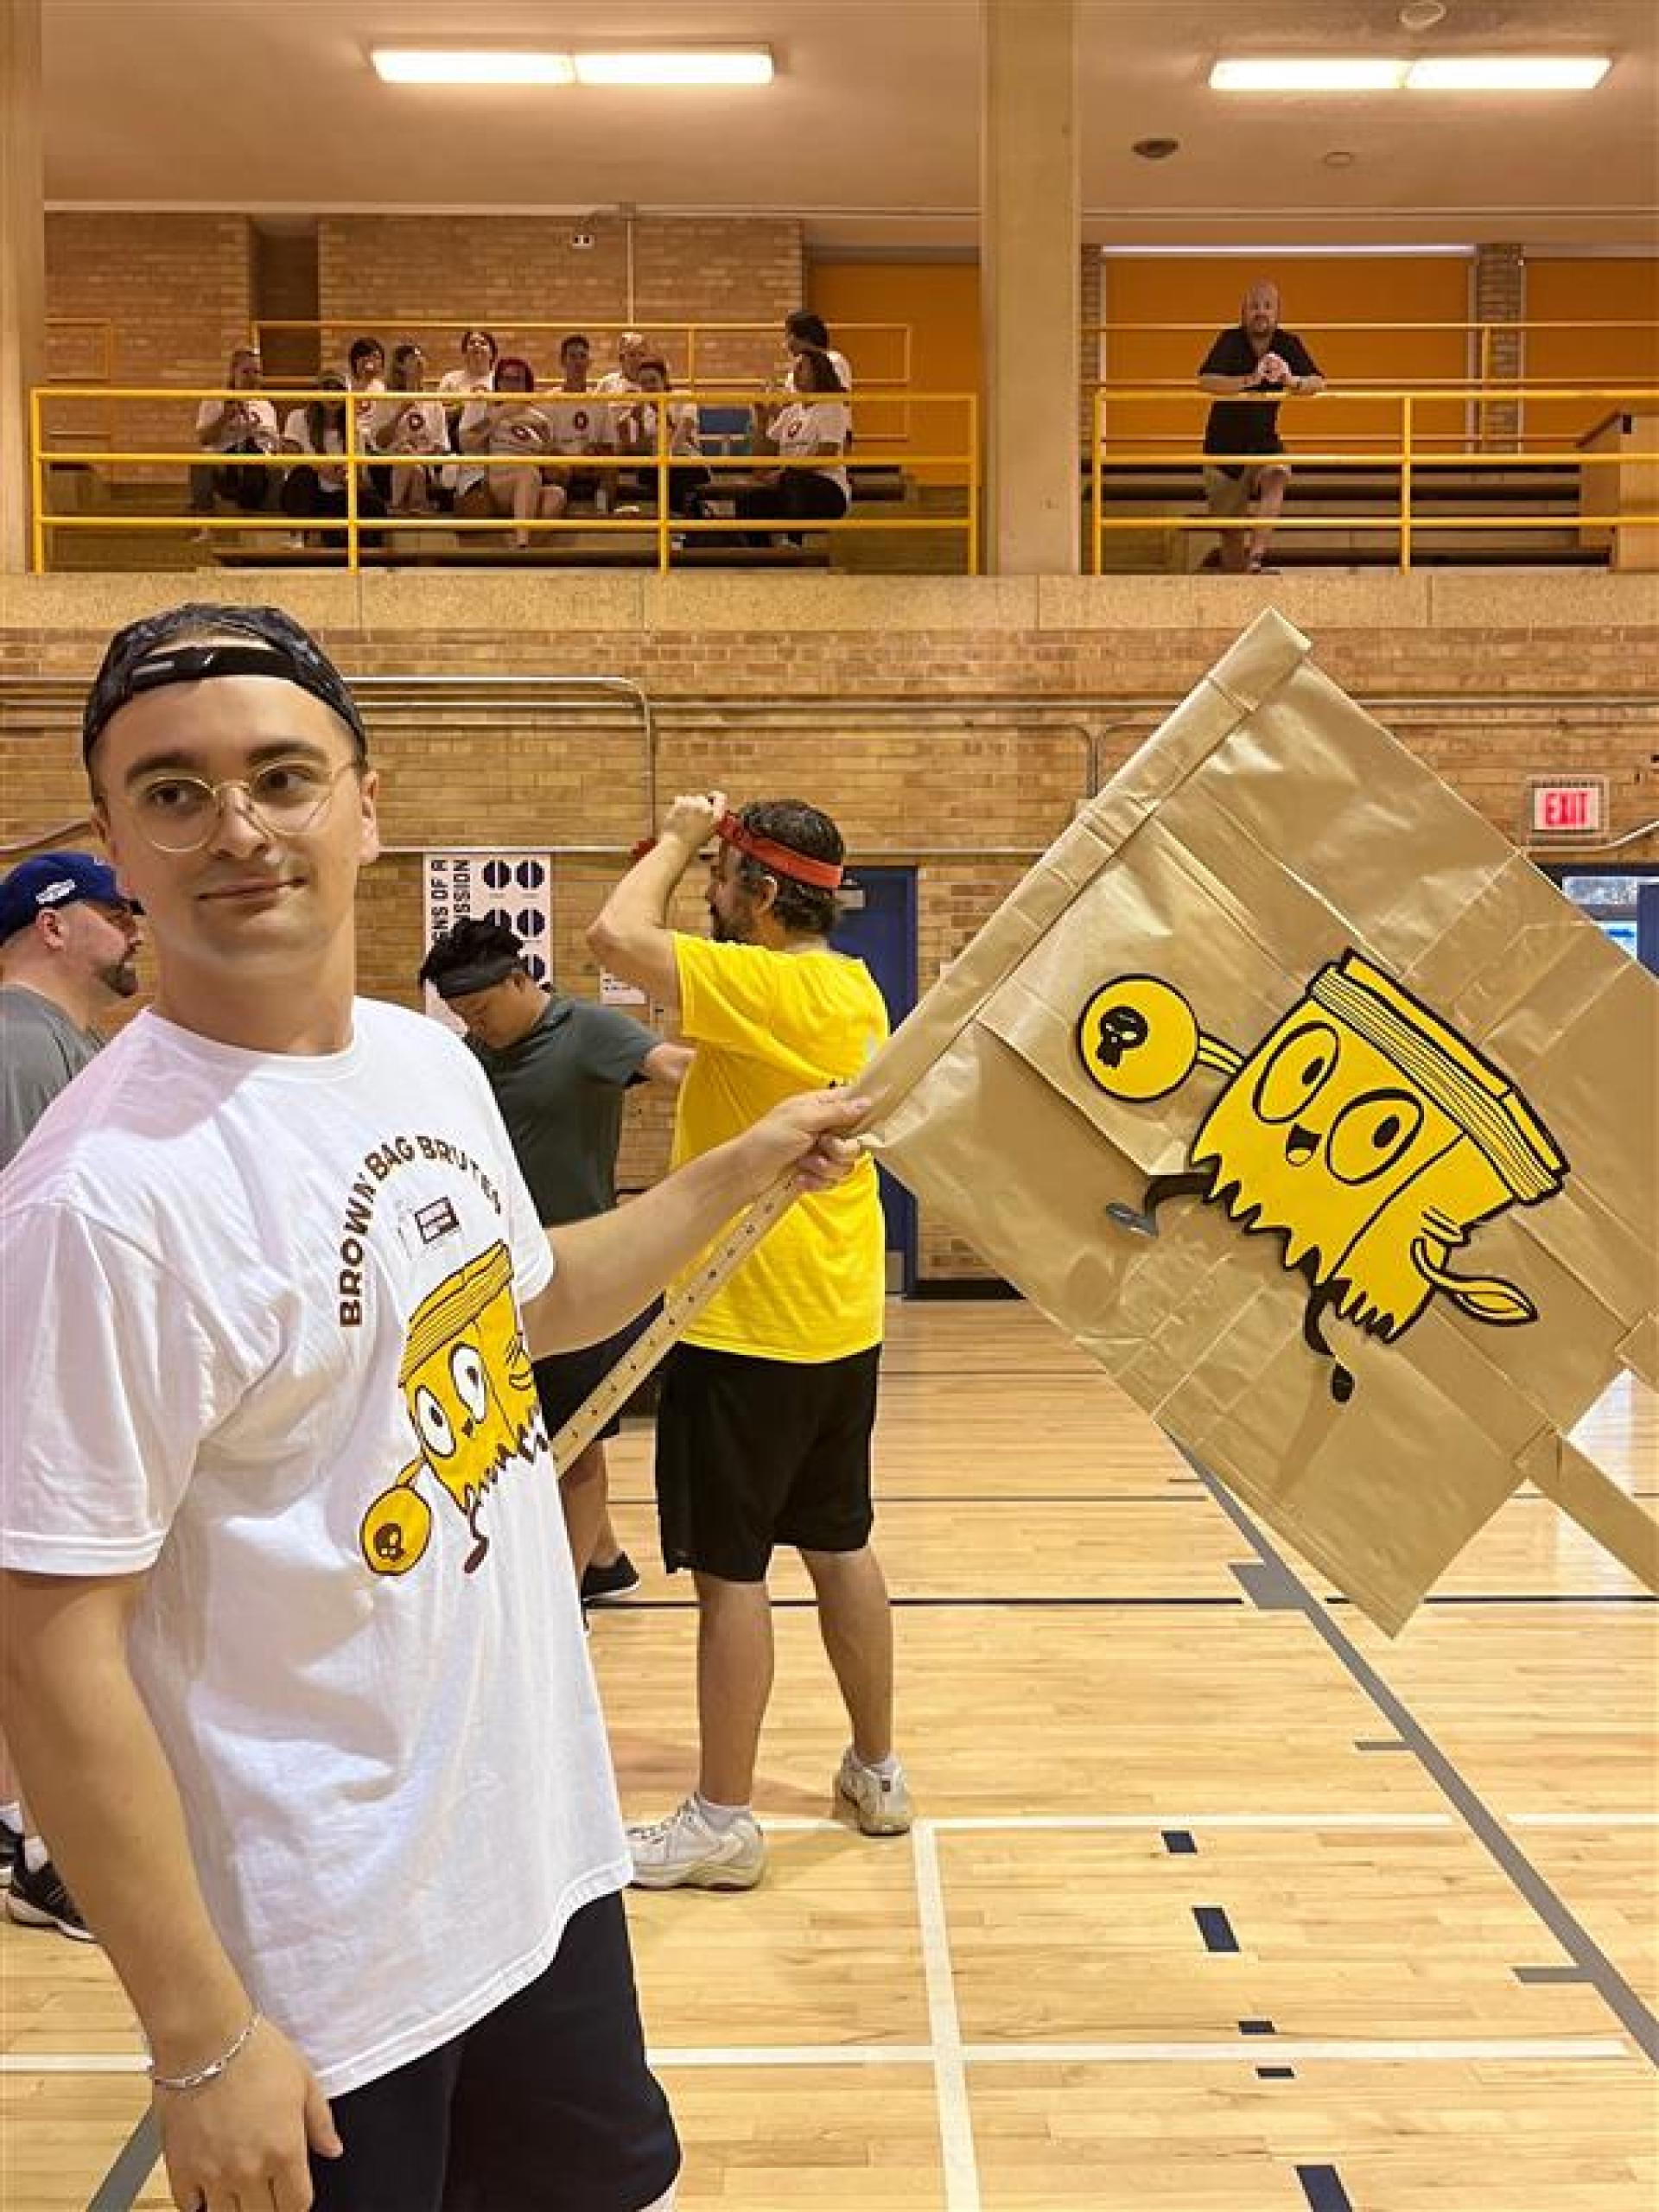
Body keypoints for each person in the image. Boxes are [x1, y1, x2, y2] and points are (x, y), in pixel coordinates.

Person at [0, 602, 865, 2212]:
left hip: (535, 1872)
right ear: (116, 841)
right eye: (175, 795)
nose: (240, 830)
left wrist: (746, 1162)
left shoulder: (420, 1062)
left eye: (283, 777)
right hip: (322, 1976)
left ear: (367, 803)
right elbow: (50, 1650)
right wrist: (199, 2037)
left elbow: (530, 1300)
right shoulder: (100, 1205)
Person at [588, 791, 912, 1893]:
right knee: (839, 1541)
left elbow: (613, 935)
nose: (708, 896)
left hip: (746, 1323)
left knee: (730, 1576)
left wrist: (679, 834)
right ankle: (878, 1767)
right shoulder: (848, 985)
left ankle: (723, 1818)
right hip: (838, 1319)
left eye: (725, 881)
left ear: (763, 896)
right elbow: (716, 1065)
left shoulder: (765, 978)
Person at [418, 916, 693, 1600]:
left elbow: (678, 1070)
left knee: (572, 1447)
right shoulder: (470, 1058)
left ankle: (566, 1609)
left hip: (579, 1277)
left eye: (481, 1009)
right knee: (521, 1439)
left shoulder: (590, 1032)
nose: (475, 1025)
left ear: (519, 980)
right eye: (461, 1015)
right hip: (493, 1281)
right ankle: (604, 1563)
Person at [0, 849, 143, 1946]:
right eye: (113, 911)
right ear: (53, 925)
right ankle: (37, 1843)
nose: (131, 927)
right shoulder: (17, 1041)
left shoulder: (63, 1043)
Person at [1197, 281, 1325, 575]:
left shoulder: (1287, 343)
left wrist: (1291, 381)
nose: (1261, 312)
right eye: (1254, 306)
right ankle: (1238, 579)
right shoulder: (1229, 340)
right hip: (1222, 444)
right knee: (1230, 533)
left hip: (1264, 439)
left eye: (1267, 306)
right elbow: (1206, 381)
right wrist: (1249, 380)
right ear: (1243, 312)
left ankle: (1256, 559)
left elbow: (1318, 382)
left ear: (1277, 312)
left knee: (1278, 475)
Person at [738, 348, 852, 546]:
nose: (795, 373)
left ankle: (794, 542)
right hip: (789, 485)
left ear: (818, 372)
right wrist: (761, 422)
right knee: (750, 500)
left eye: (801, 368)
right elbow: (762, 465)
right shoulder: (791, 412)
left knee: (794, 480)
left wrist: (785, 473)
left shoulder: (832, 406)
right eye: (794, 368)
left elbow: (828, 453)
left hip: (828, 490)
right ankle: (762, 555)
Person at [456, 355, 562, 549]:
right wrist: (499, 415)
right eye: (506, 379)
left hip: (529, 483)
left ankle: (525, 548)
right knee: (527, 472)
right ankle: (522, 543)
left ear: (526, 385)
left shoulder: (540, 419)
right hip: (496, 480)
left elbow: (549, 465)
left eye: (518, 380)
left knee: (556, 495)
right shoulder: (487, 406)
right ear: (498, 383)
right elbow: (466, 442)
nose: (511, 385)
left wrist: (547, 441)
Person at [278, 372, 387, 550]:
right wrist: (320, 467)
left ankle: (369, 553)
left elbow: (359, 477)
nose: (333, 393)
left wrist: (345, 479)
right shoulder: (298, 418)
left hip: (338, 493)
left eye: (338, 389)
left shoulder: (354, 428)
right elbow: (290, 457)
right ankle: (297, 535)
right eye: (327, 388)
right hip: (308, 492)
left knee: (374, 505)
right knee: (303, 476)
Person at [190, 346, 281, 533]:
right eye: (246, 372)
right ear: (233, 372)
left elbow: (274, 445)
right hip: (224, 465)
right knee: (200, 462)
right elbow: (204, 440)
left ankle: (268, 526)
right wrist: (224, 417)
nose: (252, 377)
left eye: (257, 372)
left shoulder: (266, 406)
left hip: (258, 466)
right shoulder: (215, 399)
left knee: (277, 467)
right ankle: (204, 525)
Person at [613, 359, 710, 520]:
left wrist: (668, 454)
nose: (649, 387)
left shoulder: (683, 397)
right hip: (655, 466)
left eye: (653, 380)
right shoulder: (642, 408)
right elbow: (641, 449)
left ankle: (679, 520)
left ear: (664, 379)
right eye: (644, 383)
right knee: (649, 473)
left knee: (675, 472)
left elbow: (685, 427)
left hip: (686, 461)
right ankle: (673, 520)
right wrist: (639, 423)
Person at [367, 343, 449, 517]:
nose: (419, 361)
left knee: (415, 464)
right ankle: (417, 502)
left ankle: (398, 506)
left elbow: (442, 446)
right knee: (406, 454)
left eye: (421, 356)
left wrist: (422, 454)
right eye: (412, 357)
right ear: (399, 366)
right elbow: (379, 443)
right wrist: (399, 413)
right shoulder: (386, 400)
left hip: (425, 465)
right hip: (389, 469)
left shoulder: (433, 402)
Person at [543, 333, 617, 516]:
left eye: (583, 356)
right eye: (572, 356)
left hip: (590, 463)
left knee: (611, 466)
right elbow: (543, 446)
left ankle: (602, 512)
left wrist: (595, 451)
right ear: (563, 361)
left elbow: (608, 446)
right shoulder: (547, 401)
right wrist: (566, 459)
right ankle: (556, 514)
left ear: (589, 362)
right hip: (561, 465)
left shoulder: (600, 402)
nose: (578, 362)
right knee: (554, 469)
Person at [781, 311, 853, 395]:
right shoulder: (802, 362)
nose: (785, 344)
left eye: (788, 336)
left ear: (806, 338)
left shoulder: (833, 361)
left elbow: (839, 400)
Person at [595, 330, 652, 397]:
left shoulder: (651, 383)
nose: (637, 359)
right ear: (622, 358)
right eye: (632, 355)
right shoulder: (608, 382)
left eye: (642, 355)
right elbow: (595, 406)